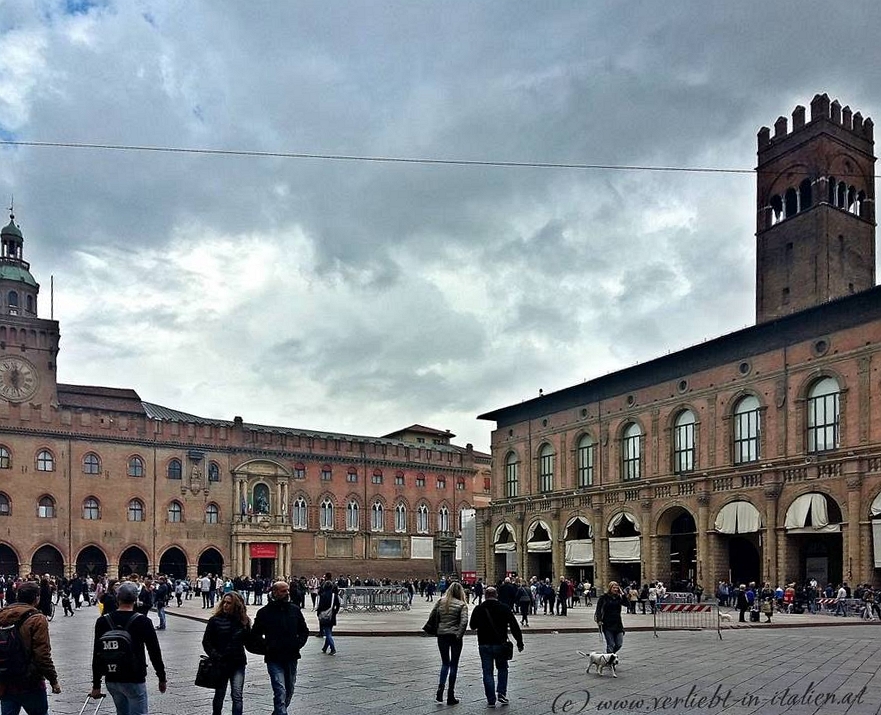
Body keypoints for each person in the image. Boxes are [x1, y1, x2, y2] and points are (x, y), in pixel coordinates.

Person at [90, 581, 167, 715]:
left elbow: (97, 654)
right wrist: (161, 677)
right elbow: (154, 651)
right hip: (134, 678)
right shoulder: (143, 621)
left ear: (117, 598)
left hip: (112, 677)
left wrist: (96, 685)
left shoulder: (103, 621)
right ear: (136, 599)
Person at [248, 581, 309, 715]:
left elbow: (304, 630)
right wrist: (267, 647)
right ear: (275, 592)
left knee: (289, 689)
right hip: (274, 657)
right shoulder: (264, 612)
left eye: (287, 590)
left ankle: (278, 712)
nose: (287, 593)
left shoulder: (294, 609)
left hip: (291, 656)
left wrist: (297, 644)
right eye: (283, 591)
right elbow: (255, 634)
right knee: (279, 689)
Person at [0, 581, 61, 715]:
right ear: (36, 598)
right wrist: (53, 680)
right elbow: (42, 654)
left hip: (5, 679)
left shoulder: (2, 614)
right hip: (30, 681)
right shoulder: (37, 619)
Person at [469, 586, 524, 708]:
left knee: (487, 672)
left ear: (485, 595)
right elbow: (514, 626)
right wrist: (519, 642)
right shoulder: (504, 607)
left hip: (484, 644)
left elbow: (472, 625)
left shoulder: (479, 608)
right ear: (496, 595)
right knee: (503, 669)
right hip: (500, 644)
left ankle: (491, 699)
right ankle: (501, 693)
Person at [202, 591, 250, 715]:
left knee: (237, 695)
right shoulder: (214, 620)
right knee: (219, 694)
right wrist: (215, 655)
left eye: (229, 603)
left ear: (236, 605)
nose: (225, 605)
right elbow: (206, 642)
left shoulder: (244, 621)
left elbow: (250, 641)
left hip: (238, 662)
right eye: (224, 602)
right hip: (220, 663)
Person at [431, 582, 468, 705]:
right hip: (455, 636)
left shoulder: (441, 601)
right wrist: (459, 635)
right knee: (454, 664)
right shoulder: (462, 604)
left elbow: (433, 616)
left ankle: (440, 690)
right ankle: (450, 694)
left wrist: (438, 630)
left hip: (442, 635)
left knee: (445, 663)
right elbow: (464, 622)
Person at [594, 581, 627, 654]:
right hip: (607, 624)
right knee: (611, 644)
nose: (615, 589)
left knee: (619, 644)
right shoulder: (604, 597)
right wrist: (599, 620)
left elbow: (628, 604)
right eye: (614, 587)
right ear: (610, 588)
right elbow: (598, 609)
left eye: (617, 588)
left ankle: (610, 656)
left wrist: (623, 594)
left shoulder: (619, 597)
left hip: (618, 624)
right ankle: (610, 660)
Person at [315, 580, 339, 655]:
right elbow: (338, 605)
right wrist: (335, 612)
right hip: (332, 615)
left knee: (328, 633)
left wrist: (318, 614)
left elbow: (320, 606)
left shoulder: (323, 595)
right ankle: (325, 647)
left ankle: (333, 648)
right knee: (329, 631)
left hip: (324, 616)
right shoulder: (334, 596)